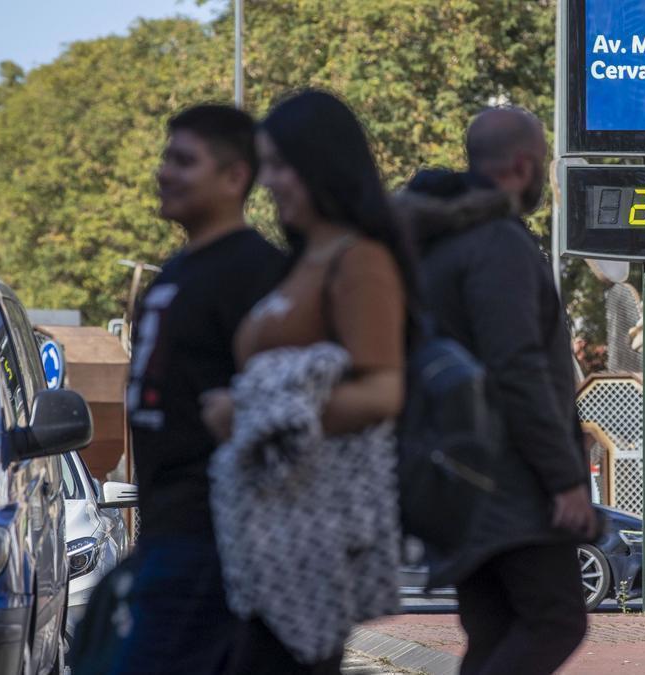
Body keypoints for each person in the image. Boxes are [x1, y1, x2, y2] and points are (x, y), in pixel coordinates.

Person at [201, 89, 415, 674]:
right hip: (265, 530)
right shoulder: (300, 261)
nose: (265, 182)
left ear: (319, 165)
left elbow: (382, 391)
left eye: (277, 166)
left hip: (309, 537)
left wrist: (248, 413)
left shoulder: (360, 261)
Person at [395, 107, 596, 675]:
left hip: (453, 478)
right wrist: (563, 480)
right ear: (523, 164)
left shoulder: (434, 246)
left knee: (493, 630)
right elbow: (518, 368)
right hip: (513, 480)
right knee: (556, 619)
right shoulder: (499, 243)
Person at [115, 104, 286, 674]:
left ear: (236, 177)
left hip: (217, 544)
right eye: (167, 158)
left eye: (184, 161)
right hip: (166, 535)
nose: (165, 172)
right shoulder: (174, 271)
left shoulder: (256, 274)